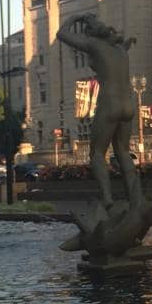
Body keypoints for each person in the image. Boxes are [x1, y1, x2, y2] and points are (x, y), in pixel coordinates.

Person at [56, 15, 138, 209]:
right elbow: (123, 46)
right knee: (124, 153)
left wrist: (75, 18)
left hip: (109, 104)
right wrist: (127, 43)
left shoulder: (94, 45)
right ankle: (136, 197)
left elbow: (61, 34)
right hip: (128, 105)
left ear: (92, 34)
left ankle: (108, 199)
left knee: (97, 154)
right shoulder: (120, 50)